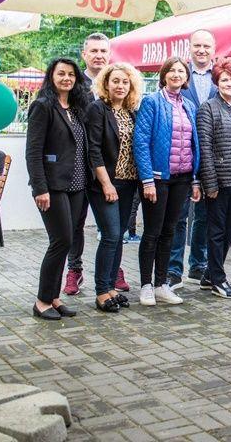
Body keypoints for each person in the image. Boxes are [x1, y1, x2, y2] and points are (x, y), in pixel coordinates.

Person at [26, 58, 91, 320]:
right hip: (52, 186)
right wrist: (39, 188)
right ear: (51, 76)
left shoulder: (76, 107)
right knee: (60, 240)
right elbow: (33, 151)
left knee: (68, 241)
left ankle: (54, 298)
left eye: (71, 74)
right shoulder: (43, 106)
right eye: (61, 73)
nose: (66, 78)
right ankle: (42, 301)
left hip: (77, 185)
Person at [133, 56, 201, 307]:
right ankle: (146, 285)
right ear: (163, 75)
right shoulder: (151, 101)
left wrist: (195, 180)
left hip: (182, 178)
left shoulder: (189, 105)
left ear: (186, 77)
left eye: (181, 71)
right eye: (171, 70)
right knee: (152, 232)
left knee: (170, 231)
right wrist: (147, 180)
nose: (176, 74)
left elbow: (193, 144)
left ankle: (161, 283)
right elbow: (140, 142)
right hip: (157, 178)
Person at [85, 63, 143, 313]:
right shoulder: (98, 109)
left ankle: (111, 288)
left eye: (125, 82)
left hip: (128, 183)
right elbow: (93, 149)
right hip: (105, 184)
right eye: (115, 81)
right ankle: (101, 291)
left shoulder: (131, 111)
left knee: (119, 236)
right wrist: (106, 184)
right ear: (106, 84)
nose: (120, 86)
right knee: (109, 234)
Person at [197, 59, 231, 299]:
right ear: (217, 83)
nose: (230, 83)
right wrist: (209, 183)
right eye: (225, 79)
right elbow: (205, 148)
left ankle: (209, 274)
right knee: (217, 230)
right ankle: (218, 280)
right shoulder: (208, 108)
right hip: (219, 180)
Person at [169, 30, 218, 289]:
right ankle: (173, 268)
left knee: (204, 215)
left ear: (214, 49)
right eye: (197, 45)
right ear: (189, 48)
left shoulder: (220, 76)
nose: (201, 50)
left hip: (210, 156)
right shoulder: (178, 73)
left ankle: (198, 264)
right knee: (178, 216)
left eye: (206, 46)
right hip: (181, 154)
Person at [62, 32, 110, 295]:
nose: (99, 56)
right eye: (94, 51)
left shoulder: (117, 81)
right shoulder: (74, 84)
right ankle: (75, 270)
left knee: (110, 224)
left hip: (108, 168)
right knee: (75, 223)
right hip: (79, 167)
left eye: (103, 51)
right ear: (84, 54)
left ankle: (114, 269)